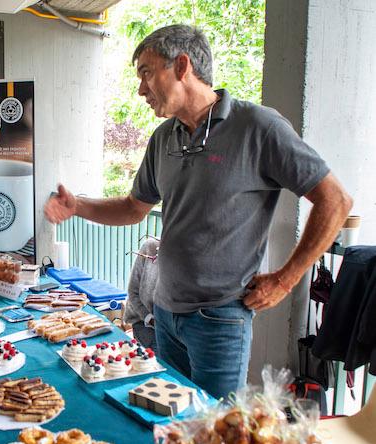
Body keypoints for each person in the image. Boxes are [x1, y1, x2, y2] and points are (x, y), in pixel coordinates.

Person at [44, 24, 352, 399]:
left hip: (220, 319)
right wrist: (78, 206)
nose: (140, 89)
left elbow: (335, 200)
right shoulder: (163, 138)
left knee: (214, 437)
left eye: (145, 72)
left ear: (182, 66)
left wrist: (285, 279)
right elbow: (133, 208)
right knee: (175, 431)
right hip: (164, 312)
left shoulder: (258, 127)